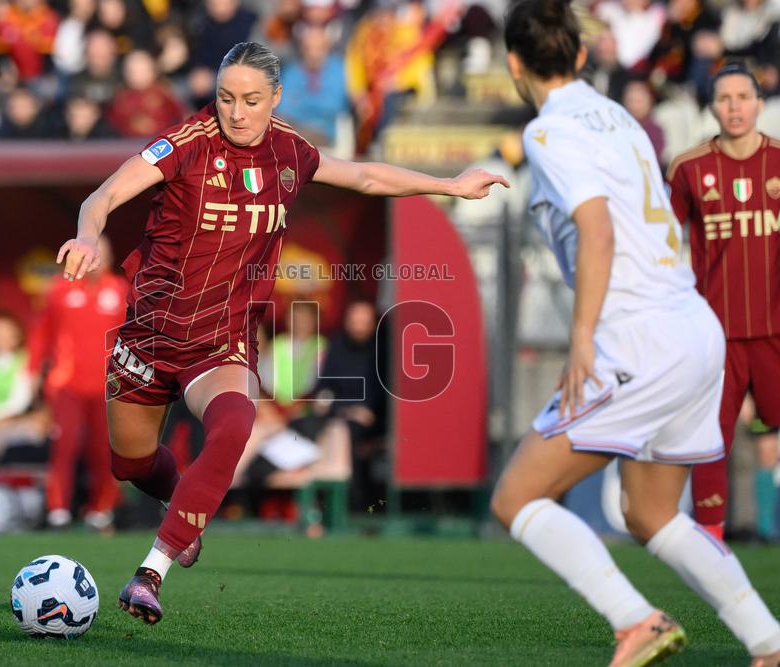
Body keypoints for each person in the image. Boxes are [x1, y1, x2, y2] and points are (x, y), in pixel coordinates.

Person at [57, 40, 507, 625]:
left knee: (235, 424)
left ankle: (152, 570)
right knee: (131, 465)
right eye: (225, 98)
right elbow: (106, 194)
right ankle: (180, 508)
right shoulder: (186, 144)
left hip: (220, 339)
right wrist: (89, 235)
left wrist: (449, 185)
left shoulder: (292, 153)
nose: (235, 112)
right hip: (149, 335)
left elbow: (367, 176)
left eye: (249, 100)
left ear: (276, 98)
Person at [489, 3, 780, 666]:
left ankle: (635, 619)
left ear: (513, 64)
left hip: (637, 339)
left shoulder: (549, 132)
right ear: (584, 56)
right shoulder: (618, 115)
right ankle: (769, 640)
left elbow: (597, 229)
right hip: (693, 327)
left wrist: (583, 336)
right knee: (652, 514)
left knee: (516, 496)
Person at [666, 63, 780, 543]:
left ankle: (768, 526)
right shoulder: (690, 169)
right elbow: (664, 244)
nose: (734, 107)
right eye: (725, 98)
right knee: (710, 439)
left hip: (776, 329)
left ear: (759, 102)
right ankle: (708, 544)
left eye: (743, 97)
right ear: (712, 106)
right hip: (715, 333)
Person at [29, 236, 129, 531]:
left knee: (104, 449)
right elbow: (41, 336)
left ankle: (101, 510)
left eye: (101, 253)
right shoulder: (59, 291)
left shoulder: (122, 291)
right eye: (90, 253)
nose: (95, 259)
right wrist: (32, 372)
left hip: (109, 385)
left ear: (109, 258)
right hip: (66, 384)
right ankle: (58, 510)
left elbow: (136, 339)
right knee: (64, 446)